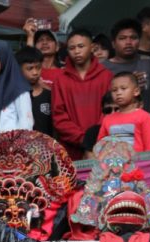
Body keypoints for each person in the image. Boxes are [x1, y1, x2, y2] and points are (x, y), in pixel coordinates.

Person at [52, 29, 113, 159]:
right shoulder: (60, 79)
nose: (77, 51)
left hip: (103, 147)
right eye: (72, 48)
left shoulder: (106, 76)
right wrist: (84, 140)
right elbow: (59, 116)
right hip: (71, 150)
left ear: (92, 47)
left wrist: (95, 139)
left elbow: (110, 111)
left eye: (81, 46)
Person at [103, 19, 150, 111]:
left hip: (146, 121)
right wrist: (130, 83)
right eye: (122, 38)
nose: (128, 42)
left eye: (133, 38)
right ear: (113, 44)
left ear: (139, 41)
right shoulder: (103, 67)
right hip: (117, 122)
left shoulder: (147, 61)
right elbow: (102, 102)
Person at [98, 72, 150, 152]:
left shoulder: (145, 117)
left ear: (136, 91)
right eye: (114, 90)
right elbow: (100, 148)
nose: (118, 93)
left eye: (123, 88)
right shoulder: (107, 119)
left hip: (138, 164)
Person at [16, 47, 53, 136]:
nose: (35, 72)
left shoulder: (49, 95)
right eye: (30, 68)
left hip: (45, 146)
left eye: (38, 67)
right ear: (19, 69)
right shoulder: (16, 97)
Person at [22, 19, 63, 88]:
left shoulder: (64, 72)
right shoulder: (28, 70)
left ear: (57, 47)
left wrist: (43, 86)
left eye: (49, 39)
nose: (44, 43)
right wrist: (30, 36)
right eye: (40, 40)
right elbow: (28, 58)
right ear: (35, 47)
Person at [82, 92, 116, 159]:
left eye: (117, 109)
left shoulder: (132, 130)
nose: (113, 113)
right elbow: (91, 163)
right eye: (108, 110)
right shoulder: (92, 133)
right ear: (103, 112)